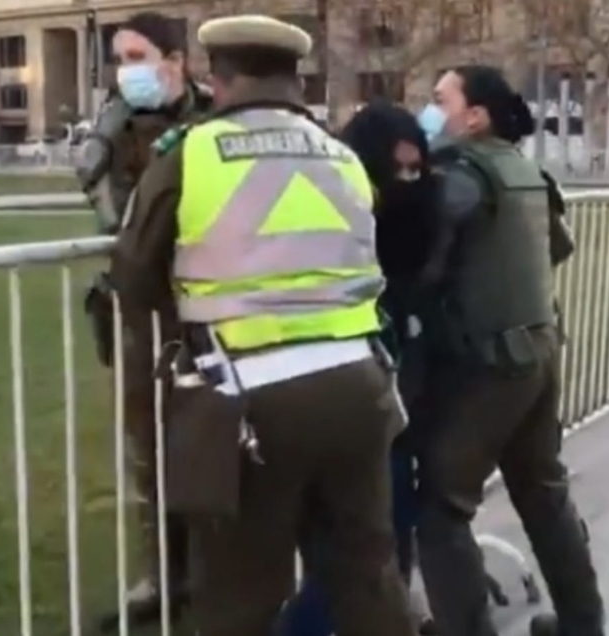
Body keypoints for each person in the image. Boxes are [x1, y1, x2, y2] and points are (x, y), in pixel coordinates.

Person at [111, 14, 418, 636]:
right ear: (293, 79)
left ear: (215, 78)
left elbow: (135, 277)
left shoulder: (192, 152)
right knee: (368, 579)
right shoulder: (343, 155)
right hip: (360, 386)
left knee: (238, 598)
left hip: (251, 401)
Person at [410, 65, 604, 636]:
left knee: (442, 509)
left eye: (440, 99)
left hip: (489, 366)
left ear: (475, 115)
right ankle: (581, 623)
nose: (431, 110)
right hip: (539, 351)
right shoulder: (526, 168)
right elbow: (558, 248)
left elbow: (422, 267)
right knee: (544, 494)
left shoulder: (459, 174)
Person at [276, 101, 439, 636]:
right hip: (346, 399)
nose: (412, 183)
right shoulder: (337, 223)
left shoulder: (416, 230)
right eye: (400, 170)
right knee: (357, 551)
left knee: (388, 533)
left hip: (390, 402)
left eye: (418, 170)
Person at [76, 10, 213, 633]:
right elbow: (96, 189)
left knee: (213, 444)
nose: (123, 73)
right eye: (119, 60)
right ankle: (163, 576)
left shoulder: (213, 116)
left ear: (176, 61)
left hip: (207, 306)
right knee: (148, 452)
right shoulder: (118, 123)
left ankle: (213, 575)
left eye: (135, 57)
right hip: (140, 309)